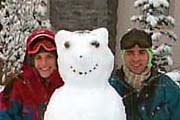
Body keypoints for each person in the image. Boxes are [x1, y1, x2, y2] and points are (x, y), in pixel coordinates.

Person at [109, 28, 180, 120]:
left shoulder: (167, 88)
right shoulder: (111, 86)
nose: (136, 58)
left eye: (142, 52)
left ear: (149, 55)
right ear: (123, 55)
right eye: (130, 53)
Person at [0, 28, 64, 120]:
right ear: (31, 61)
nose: (44, 63)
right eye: (38, 58)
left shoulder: (67, 85)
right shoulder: (18, 87)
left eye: (49, 57)